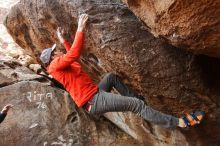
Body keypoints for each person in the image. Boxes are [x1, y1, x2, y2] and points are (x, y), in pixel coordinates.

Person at [40, 14, 204, 129]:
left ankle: (138, 102)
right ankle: (178, 123)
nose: (59, 50)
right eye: (56, 50)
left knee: (111, 77)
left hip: (94, 94)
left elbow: (72, 58)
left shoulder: (60, 66)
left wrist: (64, 40)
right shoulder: (54, 66)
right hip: (94, 100)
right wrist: (80, 28)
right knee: (136, 105)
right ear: (53, 56)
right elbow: (74, 54)